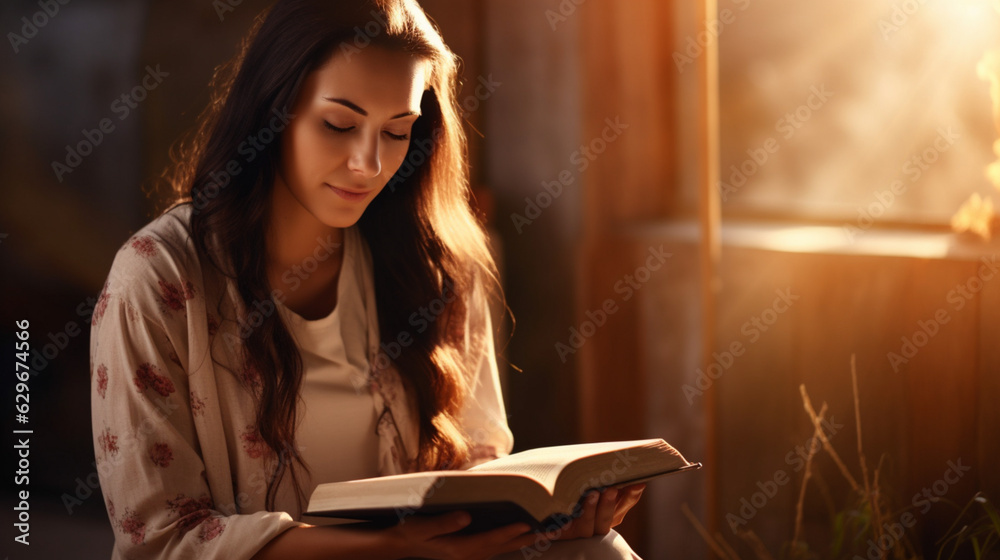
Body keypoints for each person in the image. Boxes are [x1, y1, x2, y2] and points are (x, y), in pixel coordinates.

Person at [89, 0, 646, 558]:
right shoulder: (158, 279)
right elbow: (160, 539)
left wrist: (542, 520)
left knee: (602, 550)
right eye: (339, 124)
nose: (370, 164)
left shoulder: (434, 262)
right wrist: (390, 547)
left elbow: (475, 466)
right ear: (272, 110)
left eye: (397, 131)